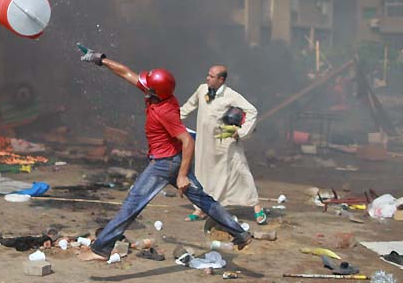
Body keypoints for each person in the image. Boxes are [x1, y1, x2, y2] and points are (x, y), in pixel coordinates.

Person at [77, 46, 252, 260]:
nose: (143, 86)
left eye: (148, 85)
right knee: (204, 200)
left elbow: (188, 141)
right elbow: (126, 73)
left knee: (133, 202)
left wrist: (181, 175)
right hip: (173, 159)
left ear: (155, 91)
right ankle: (240, 233)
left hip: (165, 164)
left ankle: (101, 249)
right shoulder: (159, 95)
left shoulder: (165, 111)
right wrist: (100, 59)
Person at [180, 65, 263, 224]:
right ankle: (200, 209)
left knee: (240, 170)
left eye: (211, 76)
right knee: (203, 173)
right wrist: (170, 119)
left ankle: (256, 206)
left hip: (225, 142)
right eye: (208, 75)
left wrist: (241, 131)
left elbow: (252, 111)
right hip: (205, 142)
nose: (207, 78)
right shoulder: (202, 89)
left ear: (221, 79)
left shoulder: (231, 95)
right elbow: (188, 107)